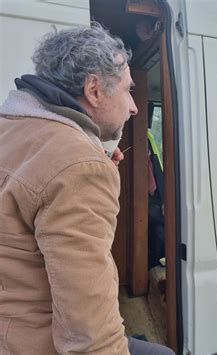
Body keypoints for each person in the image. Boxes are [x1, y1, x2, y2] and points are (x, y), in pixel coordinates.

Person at [0, 25, 173, 354]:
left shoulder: (12, 127)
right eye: (127, 91)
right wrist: (88, 168)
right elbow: (89, 332)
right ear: (94, 89)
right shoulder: (78, 165)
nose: (134, 107)